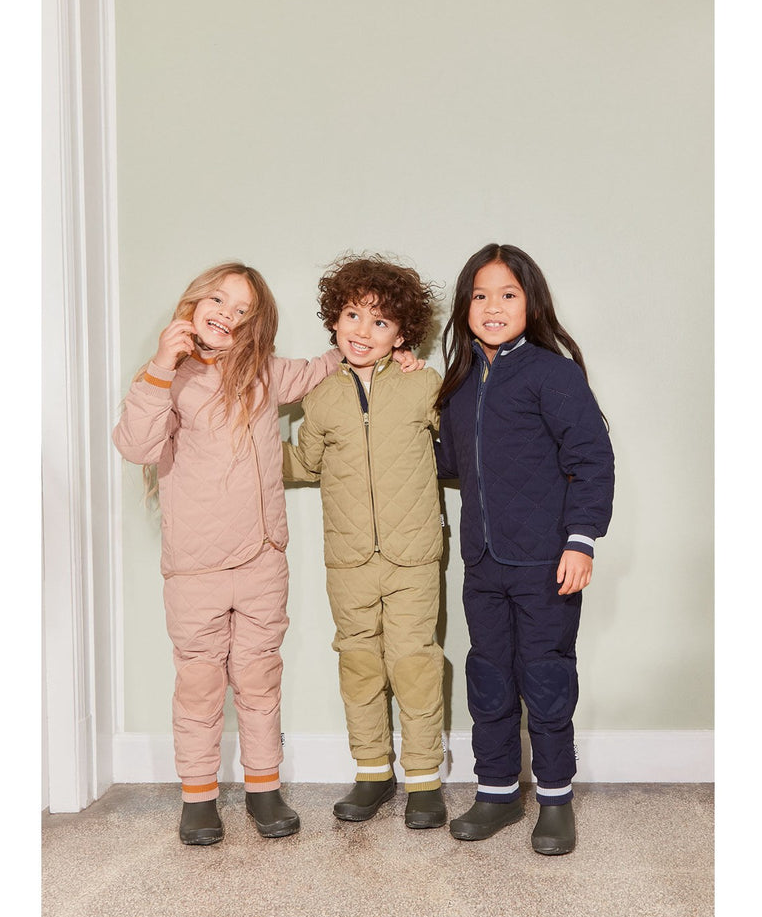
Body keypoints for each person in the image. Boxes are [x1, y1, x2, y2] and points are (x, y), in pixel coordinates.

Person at [113, 262, 421, 846]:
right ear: (194, 303)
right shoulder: (169, 379)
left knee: (259, 680)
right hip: (195, 567)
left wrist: (392, 357)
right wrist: (160, 366)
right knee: (199, 685)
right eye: (218, 300)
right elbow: (136, 445)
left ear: (254, 325)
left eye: (242, 310)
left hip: (261, 560)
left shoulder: (263, 374)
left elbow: (326, 366)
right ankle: (199, 797)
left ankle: (263, 787)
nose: (226, 314)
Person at [435, 243, 615, 854]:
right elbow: (450, 462)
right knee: (488, 676)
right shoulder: (460, 384)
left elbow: (592, 461)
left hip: (546, 562)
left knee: (546, 677)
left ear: (530, 303)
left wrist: (581, 542)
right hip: (483, 562)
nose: (493, 306)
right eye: (480, 295)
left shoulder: (553, 375)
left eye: (507, 294)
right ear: (465, 307)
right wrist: (407, 387)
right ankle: (497, 793)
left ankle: (556, 800)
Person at [282, 254, 448, 829]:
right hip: (349, 557)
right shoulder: (321, 394)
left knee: (414, 663)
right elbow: (306, 463)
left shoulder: (422, 384)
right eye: (352, 315)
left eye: (380, 322)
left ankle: (424, 779)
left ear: (401, 335)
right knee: (358, 664)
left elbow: (457, 448)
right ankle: (372, 771)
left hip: (413, 554)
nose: (362, 330)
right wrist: (248, 440)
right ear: (334, 319)